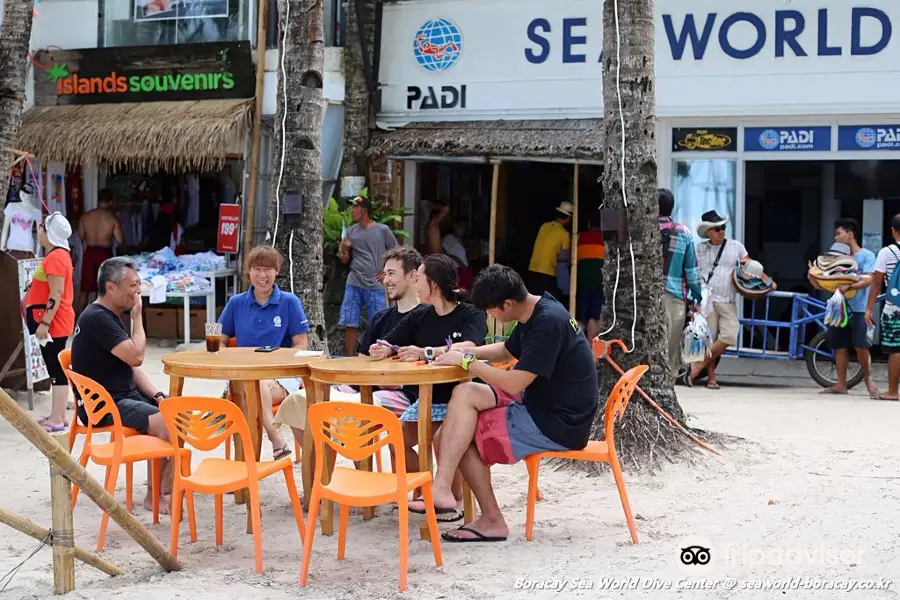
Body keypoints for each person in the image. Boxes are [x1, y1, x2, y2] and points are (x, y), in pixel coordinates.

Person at [409, 265, 598, 542]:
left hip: (558, 421)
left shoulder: (547, 322)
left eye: (491, 310)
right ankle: (443, 488)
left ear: (507, 303)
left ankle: (491, 519)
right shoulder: (536, 308)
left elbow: (514, 383)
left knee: (460, 439)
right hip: (541, 400)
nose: (489, 316)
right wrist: (467, 350)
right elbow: (507, 350)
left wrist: (468, 362)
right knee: (463, 399)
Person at [369, 254, 487, 517]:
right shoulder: (421, 315)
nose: (416, 284)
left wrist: (425, 352)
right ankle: (424, 491)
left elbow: (471, 346)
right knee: (397, 438)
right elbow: (390, 341)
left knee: (440, 439)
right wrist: (383, 349)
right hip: (427, 399)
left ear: (433, 284)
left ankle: (455, 501)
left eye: (419, 279)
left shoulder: (470, 313)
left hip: (462, 400)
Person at [273, 246, 426, 447]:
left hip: (406, 395)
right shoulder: (381, 318)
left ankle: (358, 471)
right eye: (385, 273)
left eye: (391, 273)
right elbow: (361, 362)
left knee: (354, 409)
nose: (386, 280)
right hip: (364, 387)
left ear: (413, 275)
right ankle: (324, 466)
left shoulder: (428, 316)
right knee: (298, 400)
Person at [71, 257, 173, 513]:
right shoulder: (98, 318)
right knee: (166, 424)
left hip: (122, 396)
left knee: (175, 411)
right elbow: (137, 356)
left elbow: (131, 366)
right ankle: (156, 496)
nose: (138, 291)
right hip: (105, 405)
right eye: (133, 285)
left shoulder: (109, 316)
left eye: (139, 284)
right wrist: (138, 318)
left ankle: (167, 489)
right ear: (111, 287)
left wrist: (158, 394)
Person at [218, 246, 310, 460]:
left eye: (268, 269)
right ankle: (274, 438)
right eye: (257, 269)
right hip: (242, 375)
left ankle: (263, 449)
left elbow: (301, 346)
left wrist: (276, 362)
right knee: (252, 382)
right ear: (248, 272)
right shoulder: (236, 303)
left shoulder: (289, 302)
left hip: (281, 377)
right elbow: (218, 341)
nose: (262, 275)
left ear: (277, 272)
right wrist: (234, 360)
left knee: (255, 385)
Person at [809, 219, 878, 396]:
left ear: (850, 234)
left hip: (860, 308)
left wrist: (849, 287)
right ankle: (841, 384)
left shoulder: (867, 256)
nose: (836, 237)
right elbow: (824, 284)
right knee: (839, 346)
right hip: (838, 308)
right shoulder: (833, 258)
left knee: (861, 346)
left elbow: (869, 279)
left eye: (839, 233)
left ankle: (869, 380)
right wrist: (813, 277)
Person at [687, 210, 752, 389]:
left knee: (730, 335)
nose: (721, 231)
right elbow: (692, 272)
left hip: (727, 298)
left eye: (723, 228)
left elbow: (749, 265)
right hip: (706, 299)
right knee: (711, 337)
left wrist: (764, 281)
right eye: (717, 229)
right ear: (708, 232)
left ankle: (697, 366)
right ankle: (711, 378)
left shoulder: (736, 247)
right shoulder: (699, 249)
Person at [26, 213, 76, 433]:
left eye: (42, 228)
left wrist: (45, 322)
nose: (39, 232)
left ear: (48, 233)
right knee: (56, 367)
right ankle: (59, 415)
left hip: (53, 322)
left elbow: (55, 293)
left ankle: (56, 418)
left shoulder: (56, 257)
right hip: (55, 320)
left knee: (56, 369)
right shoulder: (58, 255)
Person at [338, 195, 398, 356]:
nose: (352, 211)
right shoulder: (351, 231)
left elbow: (396, 252)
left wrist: (385, 272)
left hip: (375, 284)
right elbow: (344, 259)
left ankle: (379, 355)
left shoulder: (382, 230)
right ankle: (350, 359)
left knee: (380, 321)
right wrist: (344, 249)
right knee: (350, 322)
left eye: (355, 207)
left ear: (363, 210)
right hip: (354, 281)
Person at [658, 189, 703, 383]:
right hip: (674, 297)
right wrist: (697, 296)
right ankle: (668, 384)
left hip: (642, 295)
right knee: (671, 345)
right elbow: (691, 271)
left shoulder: (642, 230)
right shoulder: (683, 232)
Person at [866, 214, 900, 401]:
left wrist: (869, 308)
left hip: (895, 306)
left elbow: (877, 283)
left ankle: (893, 391)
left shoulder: (886, 252)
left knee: (896, 349)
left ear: (893, 230)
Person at [77, 189, 124, 314]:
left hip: (89, 252)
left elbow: (80, 237)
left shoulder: (85, 216)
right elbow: (120, 240)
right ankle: (104, 318)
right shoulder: (112, 218)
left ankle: (78, 321)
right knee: (106, 288)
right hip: (104, 253)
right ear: (110, 202)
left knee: (85, 289)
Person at [527, 201, 573, 299]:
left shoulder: (544, 226)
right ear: (568, 218)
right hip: (547, 272)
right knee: (549, 303)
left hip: (532, 269)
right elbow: (568, 255)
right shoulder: (564, 234)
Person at [575, 211, 606, 340]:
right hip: (600, 283)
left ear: (588, 224)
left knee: (580, 319)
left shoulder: (579, 237)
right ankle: (591, 349)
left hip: (582, 283)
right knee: (594, 318)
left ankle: (577, 348)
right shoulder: (606, 239)